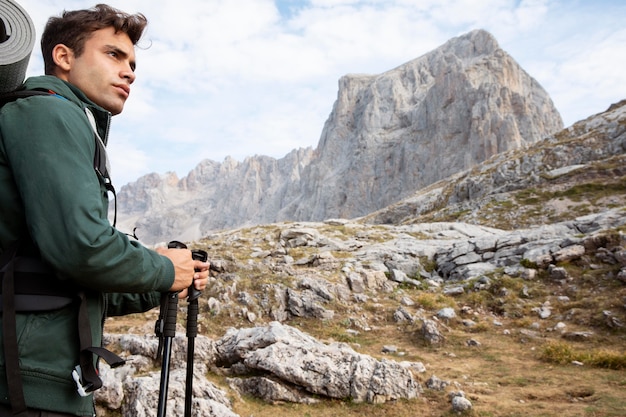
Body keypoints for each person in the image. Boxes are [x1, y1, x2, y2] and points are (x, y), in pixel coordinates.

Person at [0, 4, 209, 416]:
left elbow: (72, 282)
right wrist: (165, 268)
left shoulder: (70, 119)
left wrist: (164, 283)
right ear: (64, 57)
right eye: (113, 55)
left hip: (46, 384)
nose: (130, 71)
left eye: (132, 63)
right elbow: (81, 247)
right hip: (26, 388)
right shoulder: (48, 111)